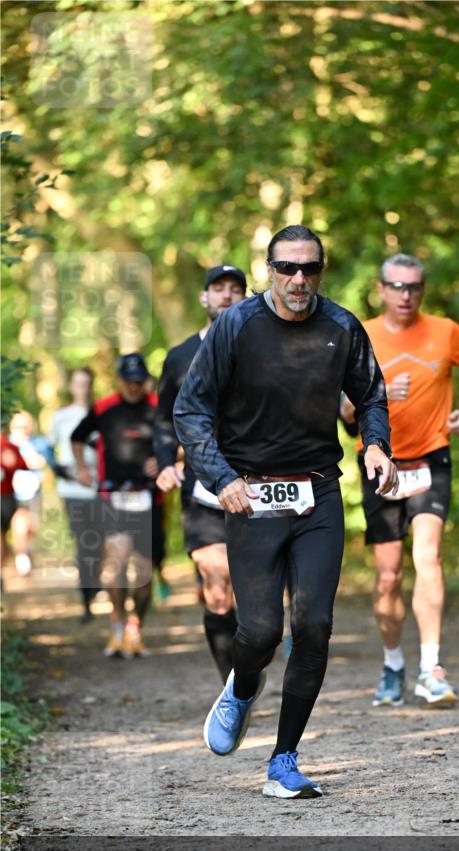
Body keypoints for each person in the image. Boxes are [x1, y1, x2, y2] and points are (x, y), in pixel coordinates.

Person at [174, 225, 397, 799]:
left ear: (322, 271)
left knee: (315, 627)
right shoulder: (235, 326)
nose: (299, 279)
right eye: (287, 268)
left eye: (310, 269)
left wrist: (375, 443)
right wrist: (220, 479)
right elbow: (190, 409)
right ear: (269, 270)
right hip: (251, 494)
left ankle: (283, 760)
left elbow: (371, 393)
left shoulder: (342, 327)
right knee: (261, 632)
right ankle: (243, 685)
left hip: (319, 491)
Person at [343, 253, 459, 709]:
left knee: (428, 557)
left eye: (413, 287)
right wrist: (372, 397)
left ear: (423, 291)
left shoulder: (446, 331)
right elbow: (341, 411)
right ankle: (393, 663)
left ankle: (431, 668)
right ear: (381, 290)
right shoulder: (363, 334)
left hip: (432, 458)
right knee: (388, 577)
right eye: (396, 286)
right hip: (380, 461)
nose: (405, 295)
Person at [155, 263, 247, 683]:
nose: (227, 295)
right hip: (203, 487)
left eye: (235, 289)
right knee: (216, 581)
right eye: (219, 288)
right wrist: (164, 464)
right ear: (204, 298)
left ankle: (254, 654)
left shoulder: (263, 348)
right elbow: (163, 422)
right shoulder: (178, 357)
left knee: (255, 589)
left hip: (260, 484)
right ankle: (233, 686)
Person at [71, 353, 158, 658]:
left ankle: (136, 626)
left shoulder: (158, 408)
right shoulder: (104, 408)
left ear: (144, 380)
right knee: (117, 562)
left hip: (150, 497)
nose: (134, 386)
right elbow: (77, 437)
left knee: (145, 572)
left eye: (138, 381)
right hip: (112, 496)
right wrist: (83, 469)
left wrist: (165, 462)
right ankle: (118, 623)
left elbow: (182, 442)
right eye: (128, 381)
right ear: (119, 380)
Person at [50, 367, 103, 621]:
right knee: (85, 542)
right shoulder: (60, 417)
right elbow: (52, 460)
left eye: (87, 384)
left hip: (102, 489)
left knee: (101, 543)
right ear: (71, 386)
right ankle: (86, 601)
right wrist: (76, 476)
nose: (83, 388)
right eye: (78, 384)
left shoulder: (101, 413)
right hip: (73, 491)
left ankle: (95, 585)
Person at [8, 411, 52, 576]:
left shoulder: (37, 443)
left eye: (24, 426)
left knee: (32, 526)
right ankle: (22, 557)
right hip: (14, 492)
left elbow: (41, 461)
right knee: (20, 525)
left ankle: (28, 549)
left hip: (34, 491)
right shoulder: (8, 443)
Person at [1, 429, 28, 586]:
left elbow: (20, 465)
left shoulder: (9, 446)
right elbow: (21, 465)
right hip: (7, 498)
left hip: (7, 497)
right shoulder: (9, 445)